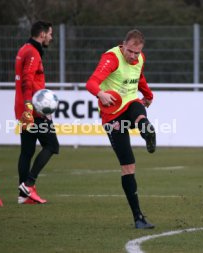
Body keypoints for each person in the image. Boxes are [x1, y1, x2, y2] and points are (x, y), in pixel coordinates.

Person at [86, 29, 156, 229]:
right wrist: (100, 94)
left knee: (137, 107)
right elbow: (91, 82)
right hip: (113, 116)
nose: (134, 56)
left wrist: (149, 95)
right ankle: (138, 218)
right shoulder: (111, 58)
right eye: (131, 51)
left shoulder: (140, 58)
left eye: (137, 52)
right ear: (123, 45)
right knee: (128, 167)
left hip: (130, 104)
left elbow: (139, 78)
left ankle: (147, 132)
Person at [14, 21, 59, 205]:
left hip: (25, 108)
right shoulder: (32, 52)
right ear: (41, 34)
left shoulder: (24, 48)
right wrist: (29, 107)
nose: (51, 37)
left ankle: (24, 196)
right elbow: (27, 80)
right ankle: (29, 184)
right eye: (50, 33)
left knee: (27, 151)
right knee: (52, 146)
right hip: (34, 110)